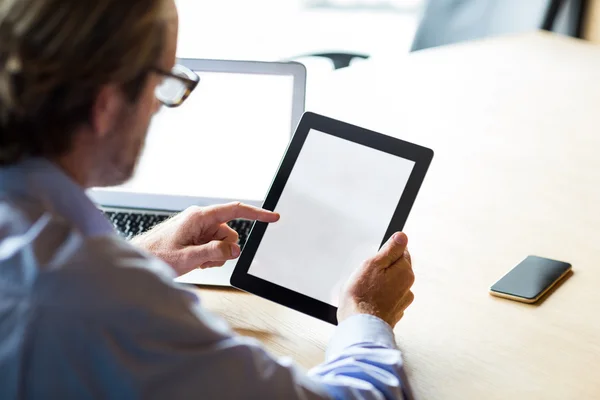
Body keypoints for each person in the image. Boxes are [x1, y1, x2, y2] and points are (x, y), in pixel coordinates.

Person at [0, 0, 416, 398]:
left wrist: (144, 258)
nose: (159, 110)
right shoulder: (107, 305)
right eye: (162, 83)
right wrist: (366, 316)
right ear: (105, 105)